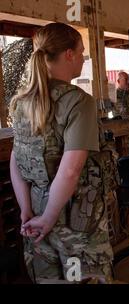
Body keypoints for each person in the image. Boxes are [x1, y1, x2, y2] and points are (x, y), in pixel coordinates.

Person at [9, 23, 115, 283]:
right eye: (80, 52)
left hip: (35, 210)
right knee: (83, 276)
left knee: (49, 278)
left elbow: (16, 159)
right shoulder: (78, 101)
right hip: (76, 214)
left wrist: (27, 209)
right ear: (68, 54)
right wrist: (50, 217)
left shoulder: (22, 101)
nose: (82, 58)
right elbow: (71, 169)